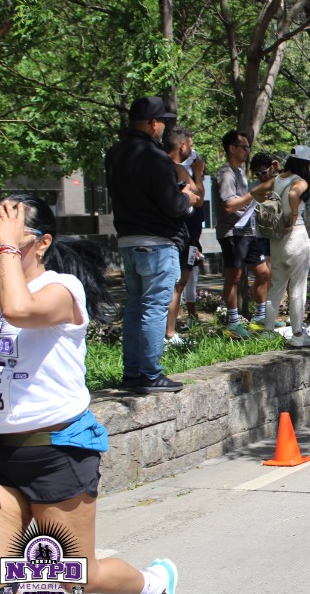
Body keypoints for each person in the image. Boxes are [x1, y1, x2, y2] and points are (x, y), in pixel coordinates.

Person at [0, 195, 180, 594]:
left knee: (73, 576)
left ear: (43, 243)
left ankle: (153, 583)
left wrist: (5, 244)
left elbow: (19, 310)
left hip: (58, 452)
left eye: (9, 232)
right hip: (1, 453)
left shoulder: (62, 289)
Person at [105, 96, 197, 393]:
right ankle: (151, 374)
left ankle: (132, 373)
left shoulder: (115, 153)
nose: (164, 128)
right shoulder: (155, 157)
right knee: (155, 307)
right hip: (157, 242)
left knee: (134, 306)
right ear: (153, 123)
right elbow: (172, 205)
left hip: (127, 240)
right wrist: (187, 198)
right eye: (162, 122)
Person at [250, 146, 310, 347]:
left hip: (277, 238)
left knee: (276, 287)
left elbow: (255, 192)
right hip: (295, 236)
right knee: (298, 287)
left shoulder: (277, 179)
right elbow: (294, 193)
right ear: (305, 164)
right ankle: (298, 335)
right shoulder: (300, 181)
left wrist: (271, 207)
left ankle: (268, 332)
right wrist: (294, 215)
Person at [214, 130, 273, 339]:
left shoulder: (240, 173)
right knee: (234, 276)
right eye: (244, 147)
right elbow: (229, 205)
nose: (248, 151)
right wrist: (255, 193)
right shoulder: (226, 174)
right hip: (232, 232)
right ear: (232, 148)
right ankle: (233, 323)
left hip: (248, 231)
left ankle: (260, 317)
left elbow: (247, 200)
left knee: (263, 273)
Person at [163, 126, 206, 347]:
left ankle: (167, 332)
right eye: (190, 144)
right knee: (178, 284)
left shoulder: (159, 166)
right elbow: (198, 198)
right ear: (182, 146)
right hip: (183, 235)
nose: (192, 149)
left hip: (174, 235)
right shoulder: (177, 168)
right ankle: (169, 334)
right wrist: (198, 174)